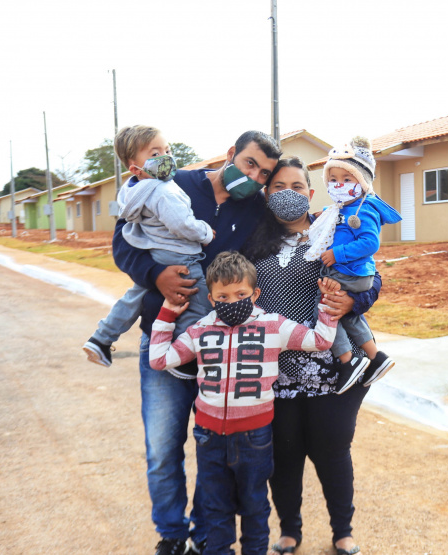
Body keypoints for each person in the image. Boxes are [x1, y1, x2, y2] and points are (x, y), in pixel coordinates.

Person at [111, 130, 305, 555]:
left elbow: (297, 237)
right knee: (163, 449)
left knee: (213, 450)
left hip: (219, 355)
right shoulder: (173, 181)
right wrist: (153, 274)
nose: (254, 177)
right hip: (163, 337)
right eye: (250, 164)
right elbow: (122, 240)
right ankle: (172, 535)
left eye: (264, 173)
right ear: (232, 154)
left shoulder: (255, 209)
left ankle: (206, 535)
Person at [149, 251, 339, 555]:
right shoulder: (200, 330)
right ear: (211, 298)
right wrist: (168, 313)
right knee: (215, 507)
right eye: (223, 295)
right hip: (208, 437)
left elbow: (320, 340)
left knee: (254, 506)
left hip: (255, 437)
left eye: (241, 293)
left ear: (255, 294)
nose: (232, 300)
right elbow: (159, 360)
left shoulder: (274, 326)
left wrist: (328, 304)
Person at [241, 156, 380, 555]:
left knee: (332, 450)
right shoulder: (253, 242)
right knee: (284, 454)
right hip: (275, 370)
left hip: (337, 367)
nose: (288, 194)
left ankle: (343, 530)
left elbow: (373, 275)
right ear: (267, 195)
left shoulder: (333, 229)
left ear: (311, 193)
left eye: (297, 187)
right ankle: (290, 530)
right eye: (279, 187)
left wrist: (354, 301)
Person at [83, 125, 214, 369]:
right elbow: (182, 224)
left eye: (167, 149)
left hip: (157, 253)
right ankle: (183, 357)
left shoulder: (132, 190)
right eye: (154, 154)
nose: (165, 157)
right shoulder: (163, 190)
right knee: (202, 300)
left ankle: (102, 337)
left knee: (134, 296)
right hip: (181, 255)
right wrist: (205, 232)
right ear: (135, 168)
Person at [305, 137, 401, 394]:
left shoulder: (364, 209)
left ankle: (348, 361)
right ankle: (375, 357)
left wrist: (337, 253)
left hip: (351, 272)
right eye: (333, 178)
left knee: (325, 309)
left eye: (347, 179)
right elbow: (334, 215)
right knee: (348, 315)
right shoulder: (343, 207)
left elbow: (370, 243)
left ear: (363, 181)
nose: (339, 184)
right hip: (350, 272)